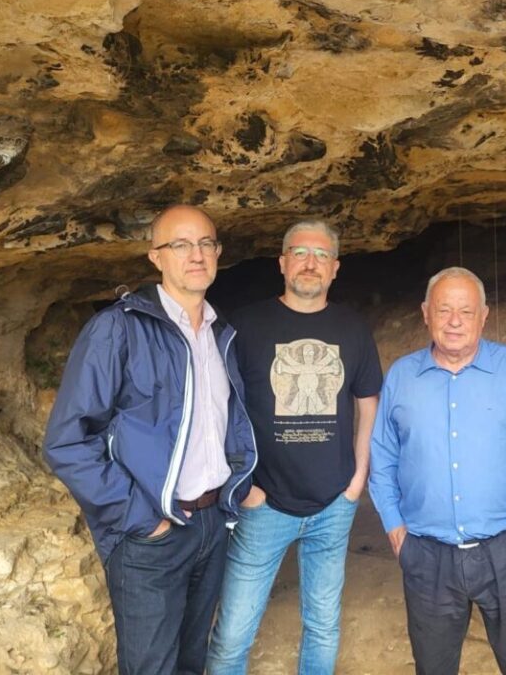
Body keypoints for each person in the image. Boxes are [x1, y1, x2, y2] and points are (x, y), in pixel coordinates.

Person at [43, 205, 257, 675]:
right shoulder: (117, 328)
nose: (196, 255)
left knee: (190, 660)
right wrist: (140, 519)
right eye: (180, 245)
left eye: (205, 243)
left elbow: (226, 424)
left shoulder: (221, 333)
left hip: (210, 525)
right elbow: (67, 441)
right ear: (155, 257)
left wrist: (236, 488)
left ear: (219, 252)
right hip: (151, 533)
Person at [369, 266, 506, 675]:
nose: (455, 321)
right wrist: (395, 528)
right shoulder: (402, 376)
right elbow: (382, 459)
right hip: (426, 555)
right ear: (426, 313)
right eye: (444, 310)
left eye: (466, 310)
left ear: (484, 316)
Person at [207, 220, 382, 675]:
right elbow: (217, 406)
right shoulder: (246, 325)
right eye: (300, 253)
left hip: (334, 503)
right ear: (282, 263)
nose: (310, 263)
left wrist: (357, 480)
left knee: (323, 625)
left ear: (335, 268)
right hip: (263, 504)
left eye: (322, 255)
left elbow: (367, 403)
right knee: (231, 635)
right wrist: (243, 485)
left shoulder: (352, 327)